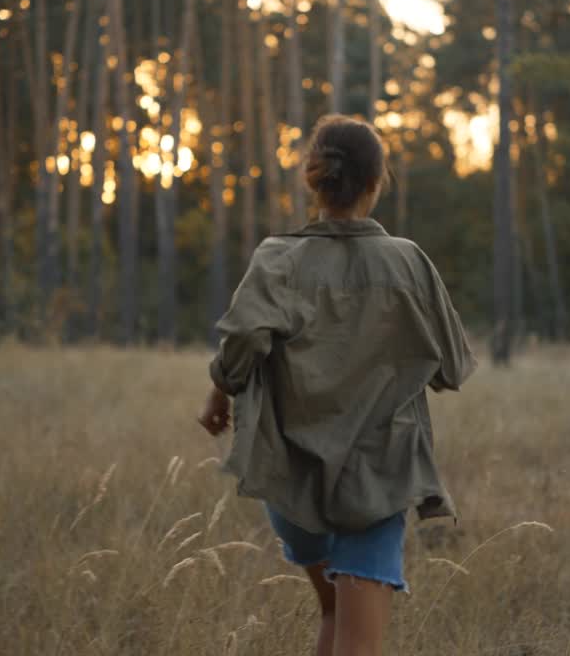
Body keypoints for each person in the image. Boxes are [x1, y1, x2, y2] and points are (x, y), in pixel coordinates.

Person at [199, 114, 476, 656]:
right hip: (377, 477)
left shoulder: (276, 259)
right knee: (358, 640)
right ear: (376, 184)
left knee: (333, 611)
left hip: (293, 478)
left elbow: (237, 348)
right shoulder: (408, 262)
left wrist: (217, 397)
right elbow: (452, 369)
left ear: (313, 177)